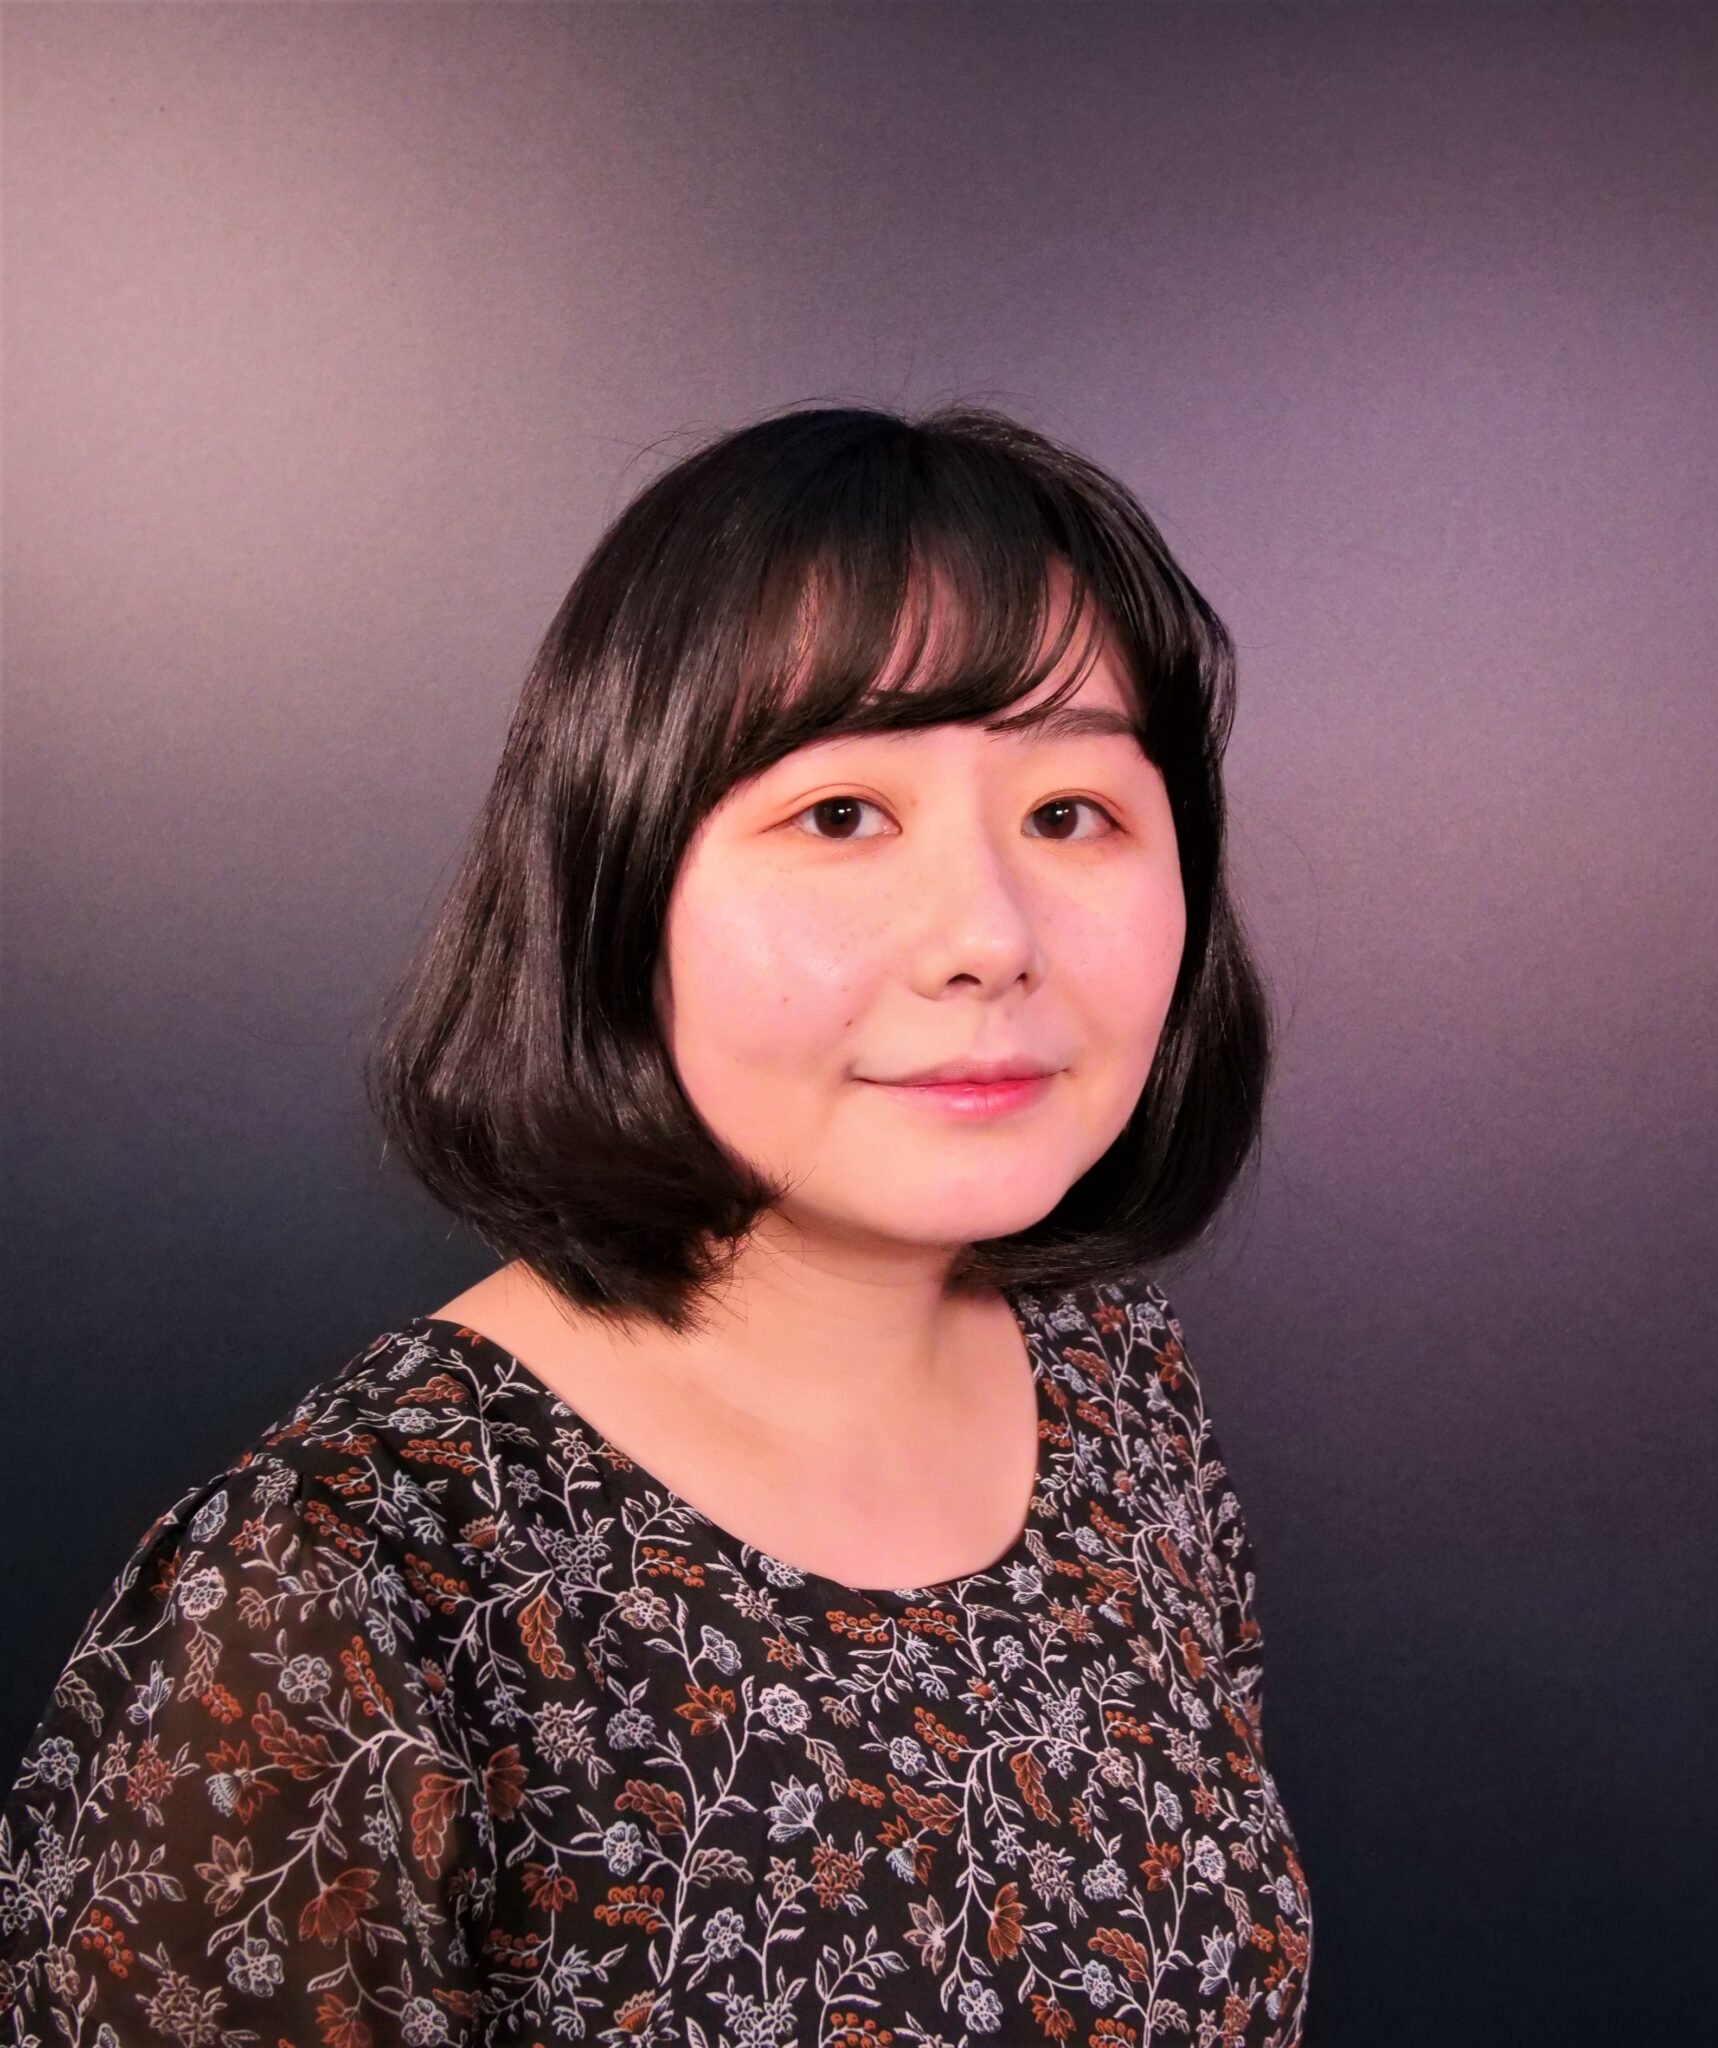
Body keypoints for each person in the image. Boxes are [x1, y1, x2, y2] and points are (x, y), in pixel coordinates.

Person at [0, 403, 1311, 2045]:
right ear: (612, 879)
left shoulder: (1109, 1382)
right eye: (841, 815)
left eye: (1068, 815)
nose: (987, 935)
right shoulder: (330, 1594)